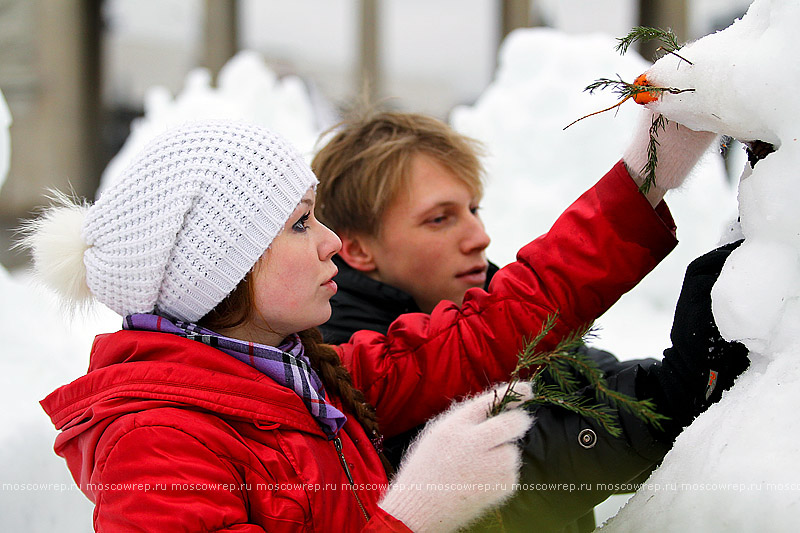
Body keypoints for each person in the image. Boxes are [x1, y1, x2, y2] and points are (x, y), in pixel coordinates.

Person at [26, 117, 684, 532]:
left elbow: (495, 325)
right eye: (299, 223)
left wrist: (643, 180)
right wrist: (413, 513)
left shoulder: (319, 379)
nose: (333, 241)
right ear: (220, 267)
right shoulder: (157, 446)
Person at [312, 110, 750, 531]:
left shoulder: (488, 307)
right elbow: (522, 469)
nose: (478, 237)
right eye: (440, 218)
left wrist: (676, 386)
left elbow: (594, 388)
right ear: (358, 250)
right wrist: (676, 394)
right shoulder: (337, 372)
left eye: (474, 209)